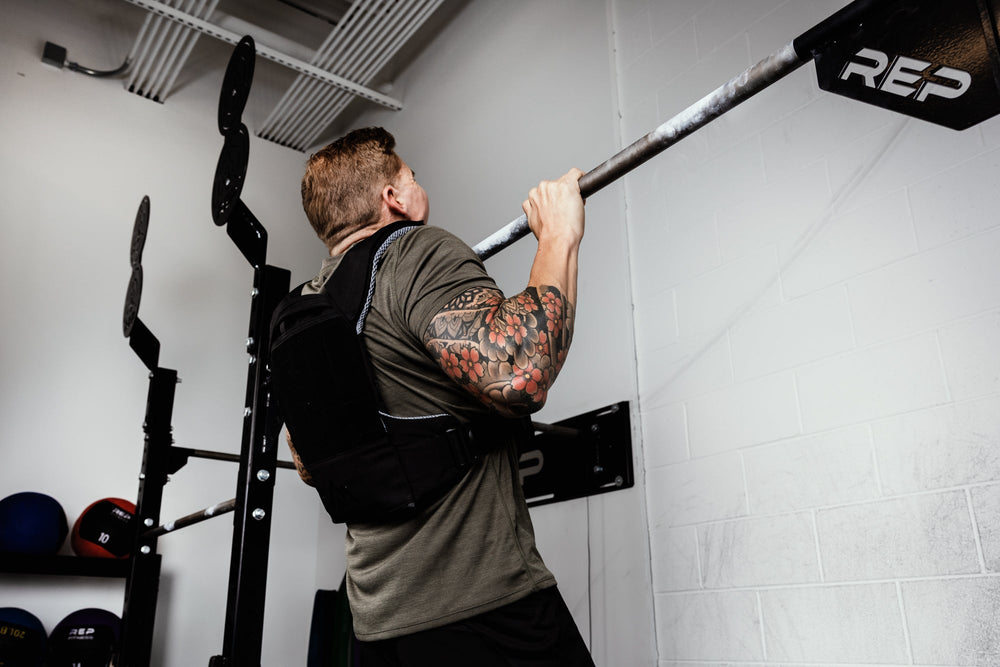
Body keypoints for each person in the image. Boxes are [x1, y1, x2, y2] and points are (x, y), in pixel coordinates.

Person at [290, 126, 593, 666]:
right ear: (393, 197)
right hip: (482, 612)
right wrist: (558, 236)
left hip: (376, 627)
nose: (415, 184)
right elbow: (521, 373)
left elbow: (308, 462)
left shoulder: (303, 312)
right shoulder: (414, 251)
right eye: (411, 175)